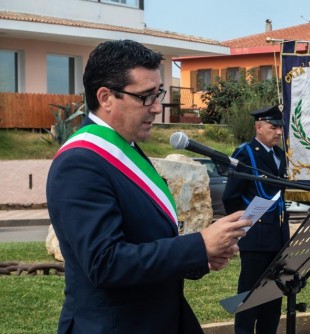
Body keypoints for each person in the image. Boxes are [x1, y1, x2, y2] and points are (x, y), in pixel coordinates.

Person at [46, 40, 250, 334]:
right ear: (105, 97)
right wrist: (199, 244)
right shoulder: (79, 164)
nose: (157, 108)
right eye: (145, 97)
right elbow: (106, 263)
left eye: (158, 94)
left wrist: (200, 258)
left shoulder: (126, 148)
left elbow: (147, 238)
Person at [222, 105, 289, 334]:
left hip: (279, 234)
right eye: (274, 127)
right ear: (258, 127)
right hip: (256, 234)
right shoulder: (246, 153)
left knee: (273, 294)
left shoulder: (280, 155)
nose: (279, 132)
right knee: (249, 294)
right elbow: (231, 195)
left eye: (281, 128)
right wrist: (242, 226)